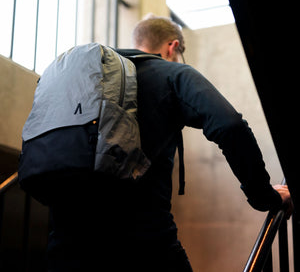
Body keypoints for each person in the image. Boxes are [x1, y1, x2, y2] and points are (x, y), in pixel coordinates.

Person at [47, 15, 294, 272]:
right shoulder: (172, 73)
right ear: (172, 47)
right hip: (143, 242)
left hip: (66, 242)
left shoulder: (87, 79)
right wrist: (264, 196)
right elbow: (230, 125)